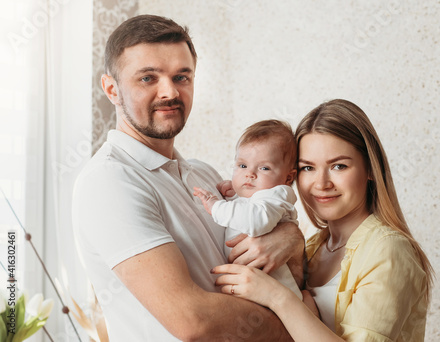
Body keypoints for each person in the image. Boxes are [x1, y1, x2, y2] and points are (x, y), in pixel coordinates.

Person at [72, 14, 304, 341]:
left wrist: (291, 237)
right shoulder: (109, 182)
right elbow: (193, 321)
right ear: (111, 89)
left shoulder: (206, 175)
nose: (170, 92)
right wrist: (300, 324)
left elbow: (267, 240)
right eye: (148, 78)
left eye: (182, 77)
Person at [212, 99, 434, 341]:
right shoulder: (315, 246)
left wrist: (277, 297)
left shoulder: (389, 250)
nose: (321, 184)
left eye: (339, 166)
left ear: (370, 169)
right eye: (308, 168)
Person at [193, 120, 303, 299]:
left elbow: (256, 221)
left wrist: (217, 206)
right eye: (242, 166)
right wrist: (236, 193)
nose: (249, 174)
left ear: (288, 178)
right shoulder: (259, 196)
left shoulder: (278, 194)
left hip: (278, 290)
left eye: (264, 168)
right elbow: (248, 208)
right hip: (254, 288)